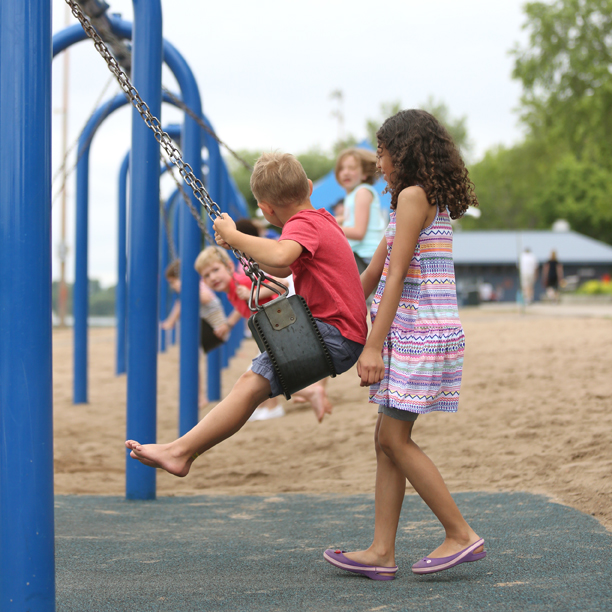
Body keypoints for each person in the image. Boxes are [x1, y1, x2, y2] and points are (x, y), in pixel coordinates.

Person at [126, 152, 367, 476]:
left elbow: (281, 255)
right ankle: (180, 450)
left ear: (266, 210)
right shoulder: (320, 220)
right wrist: (238, 248)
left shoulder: (303, 224)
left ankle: (180, 452)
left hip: (334, 336)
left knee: (249, 385)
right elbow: (281, 262)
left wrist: (238, 236)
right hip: (338, 335)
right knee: (250, 384)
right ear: (309, 187)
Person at [323, 109, 485, 581]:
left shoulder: (415, 197)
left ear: (404, 152)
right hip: (412, 331)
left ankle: (460, 533)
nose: (378, 160)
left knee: (395, 437)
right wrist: (336, 306)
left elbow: (396, 279)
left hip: (421, 332)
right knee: (384, 440)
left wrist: (371, 348)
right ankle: (380, 551)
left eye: (383, 151)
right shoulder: (403, 202)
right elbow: (373, 273)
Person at [194, 245, 285, 421]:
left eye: (215, 270)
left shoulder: (243, 281)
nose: (212, 277)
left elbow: (281, 285)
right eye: (206, 275)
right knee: (258, 373)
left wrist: (253, 293)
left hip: (279, 328)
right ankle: (267, 406)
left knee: (258, 374)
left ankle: (273, 408)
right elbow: (241, 307)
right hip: (269, 334)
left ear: (229, 267)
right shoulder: (231, 291)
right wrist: (228, 324)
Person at [161, 260, 228, 407]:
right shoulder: (194, 288)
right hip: (210, 328)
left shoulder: (197, 286)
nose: (173, 287)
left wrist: (186, 289)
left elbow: (205, 298)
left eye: (173, 282)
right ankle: (200, 396)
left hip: (217, 329)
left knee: (191, 360)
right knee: (192, 360)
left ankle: (201, 397)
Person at [335, 148, 385, 274]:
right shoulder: (352, 195)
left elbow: (358, 232)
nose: (346, 172)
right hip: (359, 254)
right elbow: (349, 220)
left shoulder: (362, 192)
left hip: (367, 256)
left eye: (351, 168)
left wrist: (330, 226)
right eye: (342, 168)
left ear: (364, 174)